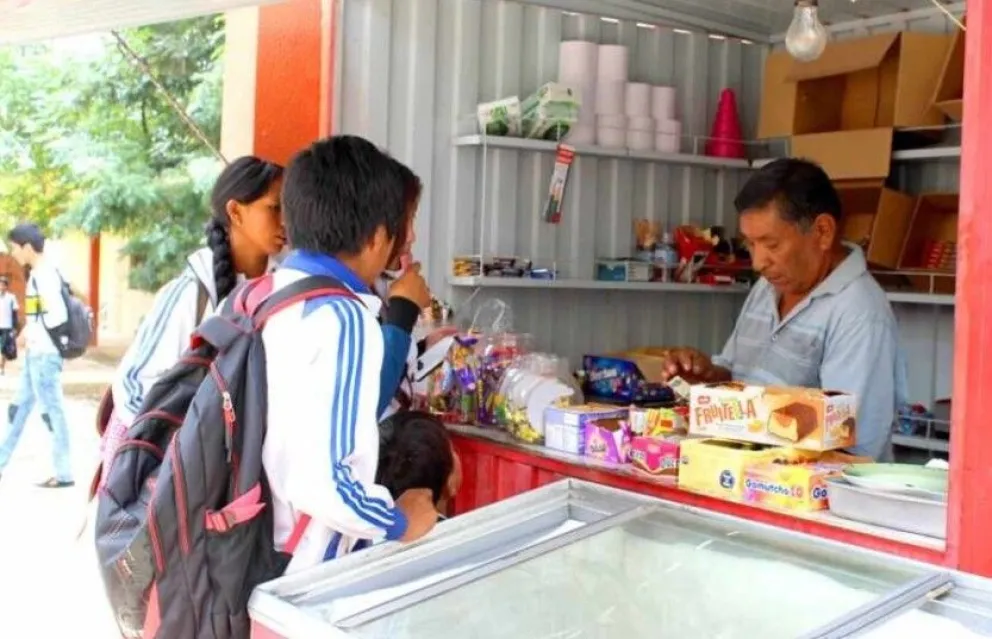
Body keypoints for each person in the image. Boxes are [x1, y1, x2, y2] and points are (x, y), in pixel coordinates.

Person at [263, 135, 438, 573]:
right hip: (304, 564)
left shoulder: (268, 294)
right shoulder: (343, 319)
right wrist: (399, 521)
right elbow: (328, 483)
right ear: (378, 235)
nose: (411, 236)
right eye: (406, 222)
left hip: (257, 545)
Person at [659, 159, 905, 460]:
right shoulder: (768, 286)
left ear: (823, 231)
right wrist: (706, 379)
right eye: (750, 244)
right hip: (740, 477)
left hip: (796, 496)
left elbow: (855, 449)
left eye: (771, 244)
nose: (758, 262)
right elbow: (737, 375)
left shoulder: (860, 313)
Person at [97, 156, 286, 489]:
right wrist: (175, 455)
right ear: (235, 212)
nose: (285, 221)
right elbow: (134, 384)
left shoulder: (283, 287)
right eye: (274, 208)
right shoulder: (190, 293)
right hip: (165, 467)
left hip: (229, 469)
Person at [374, 163, 457, 420]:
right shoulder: (335, 303)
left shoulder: (374, 286)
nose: (412, 236)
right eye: (404, 222)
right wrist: (403, 310)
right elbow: (369, 400)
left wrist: (420, 349)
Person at [0, 223, 74, 487]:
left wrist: (33, 335)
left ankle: (64, 472)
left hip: (44, 356)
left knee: (51, 413)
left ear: (28, 247)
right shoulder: (39, 274)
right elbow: (39, 316)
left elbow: (56, 316)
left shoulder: (44, 276)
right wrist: (25, 336)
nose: (13, 253)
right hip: (37, 354)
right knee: (18, 409)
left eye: (15, 248)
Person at [0, 276, 19, 375]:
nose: (1, 287)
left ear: (7, 286)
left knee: (3, 348)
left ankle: (1, 368)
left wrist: (15, 327)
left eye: (3, 285)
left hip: (6, 326)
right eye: (0, 285)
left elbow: (15, 313)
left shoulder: (11, 297)